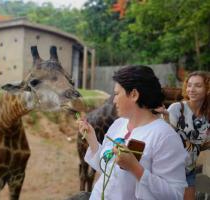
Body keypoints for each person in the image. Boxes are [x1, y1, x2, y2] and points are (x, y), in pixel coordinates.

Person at [78, 65, 187, 200]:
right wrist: (92, 140)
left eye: (117, 94)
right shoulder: (119, 125)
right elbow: (108, 168)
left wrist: (136, 169)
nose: (114, 100)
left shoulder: (165, 136)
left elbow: (175, 195)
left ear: (134, 95)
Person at [167, 71, 210, 200]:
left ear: (207, 88)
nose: (192, 89)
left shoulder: (207, 115)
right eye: (189, 85)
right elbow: (166, 139)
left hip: (191, 170)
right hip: (170, 170)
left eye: (198, 85)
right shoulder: (176, 109)